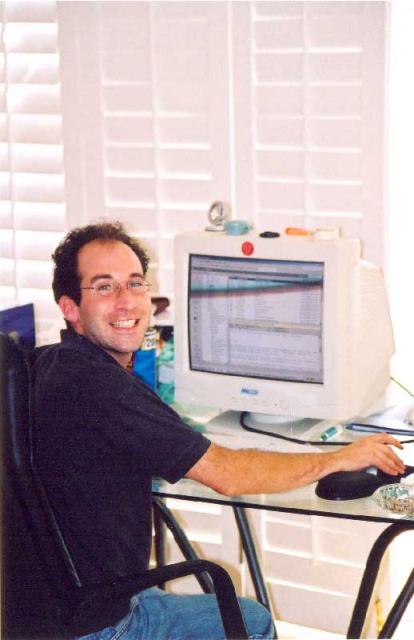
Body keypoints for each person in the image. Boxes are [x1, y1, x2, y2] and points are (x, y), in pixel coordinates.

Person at [33, 221, 405, 640]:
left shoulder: (48, 364)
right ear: (69, 308)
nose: (127, 302)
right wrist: (338, 459)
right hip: (102, 622)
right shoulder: (102, 386)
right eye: (104, 287)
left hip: (65, 605)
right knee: (253, 620)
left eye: (135, 284)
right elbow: (226, 475)